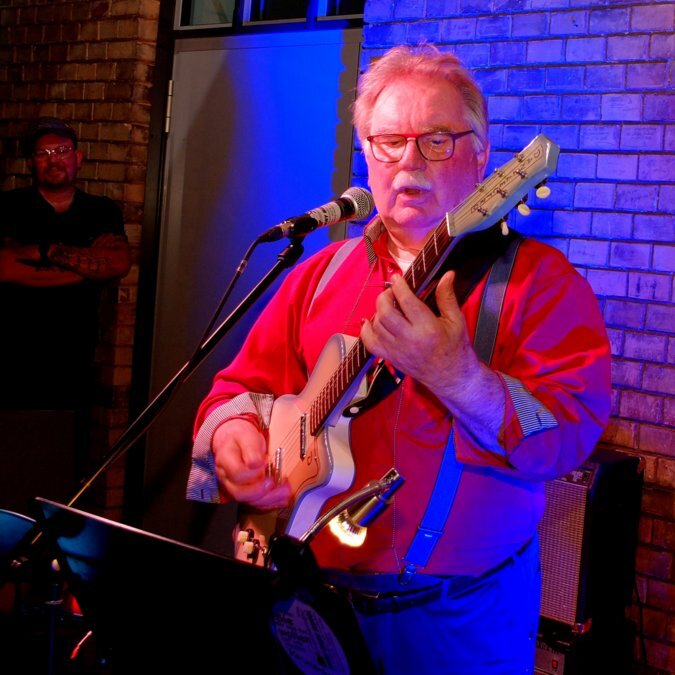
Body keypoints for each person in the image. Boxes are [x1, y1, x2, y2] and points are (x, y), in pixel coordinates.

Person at [188, 45, 612, 674]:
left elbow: (569, 437)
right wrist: (231, 442)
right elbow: (234, 392)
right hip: (308, 605)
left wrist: (459, 378)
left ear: (481, 156)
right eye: (389, 142)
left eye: (436, 140)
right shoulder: (318, 275)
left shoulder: (540, 284)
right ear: (366, 153)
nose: (409, 161)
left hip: (460, 621)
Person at [0, 117, 130, 508]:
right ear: (31, 162)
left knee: (61, 473)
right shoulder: (9, 206)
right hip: (12, 364)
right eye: (42, 153)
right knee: (12, 470)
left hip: (74, 365)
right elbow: (4, 267)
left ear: (78, 158)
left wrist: (42, 252)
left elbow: (117, 263)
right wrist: (82, 266)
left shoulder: (101, 211)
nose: (52, 159)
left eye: (61, 151)